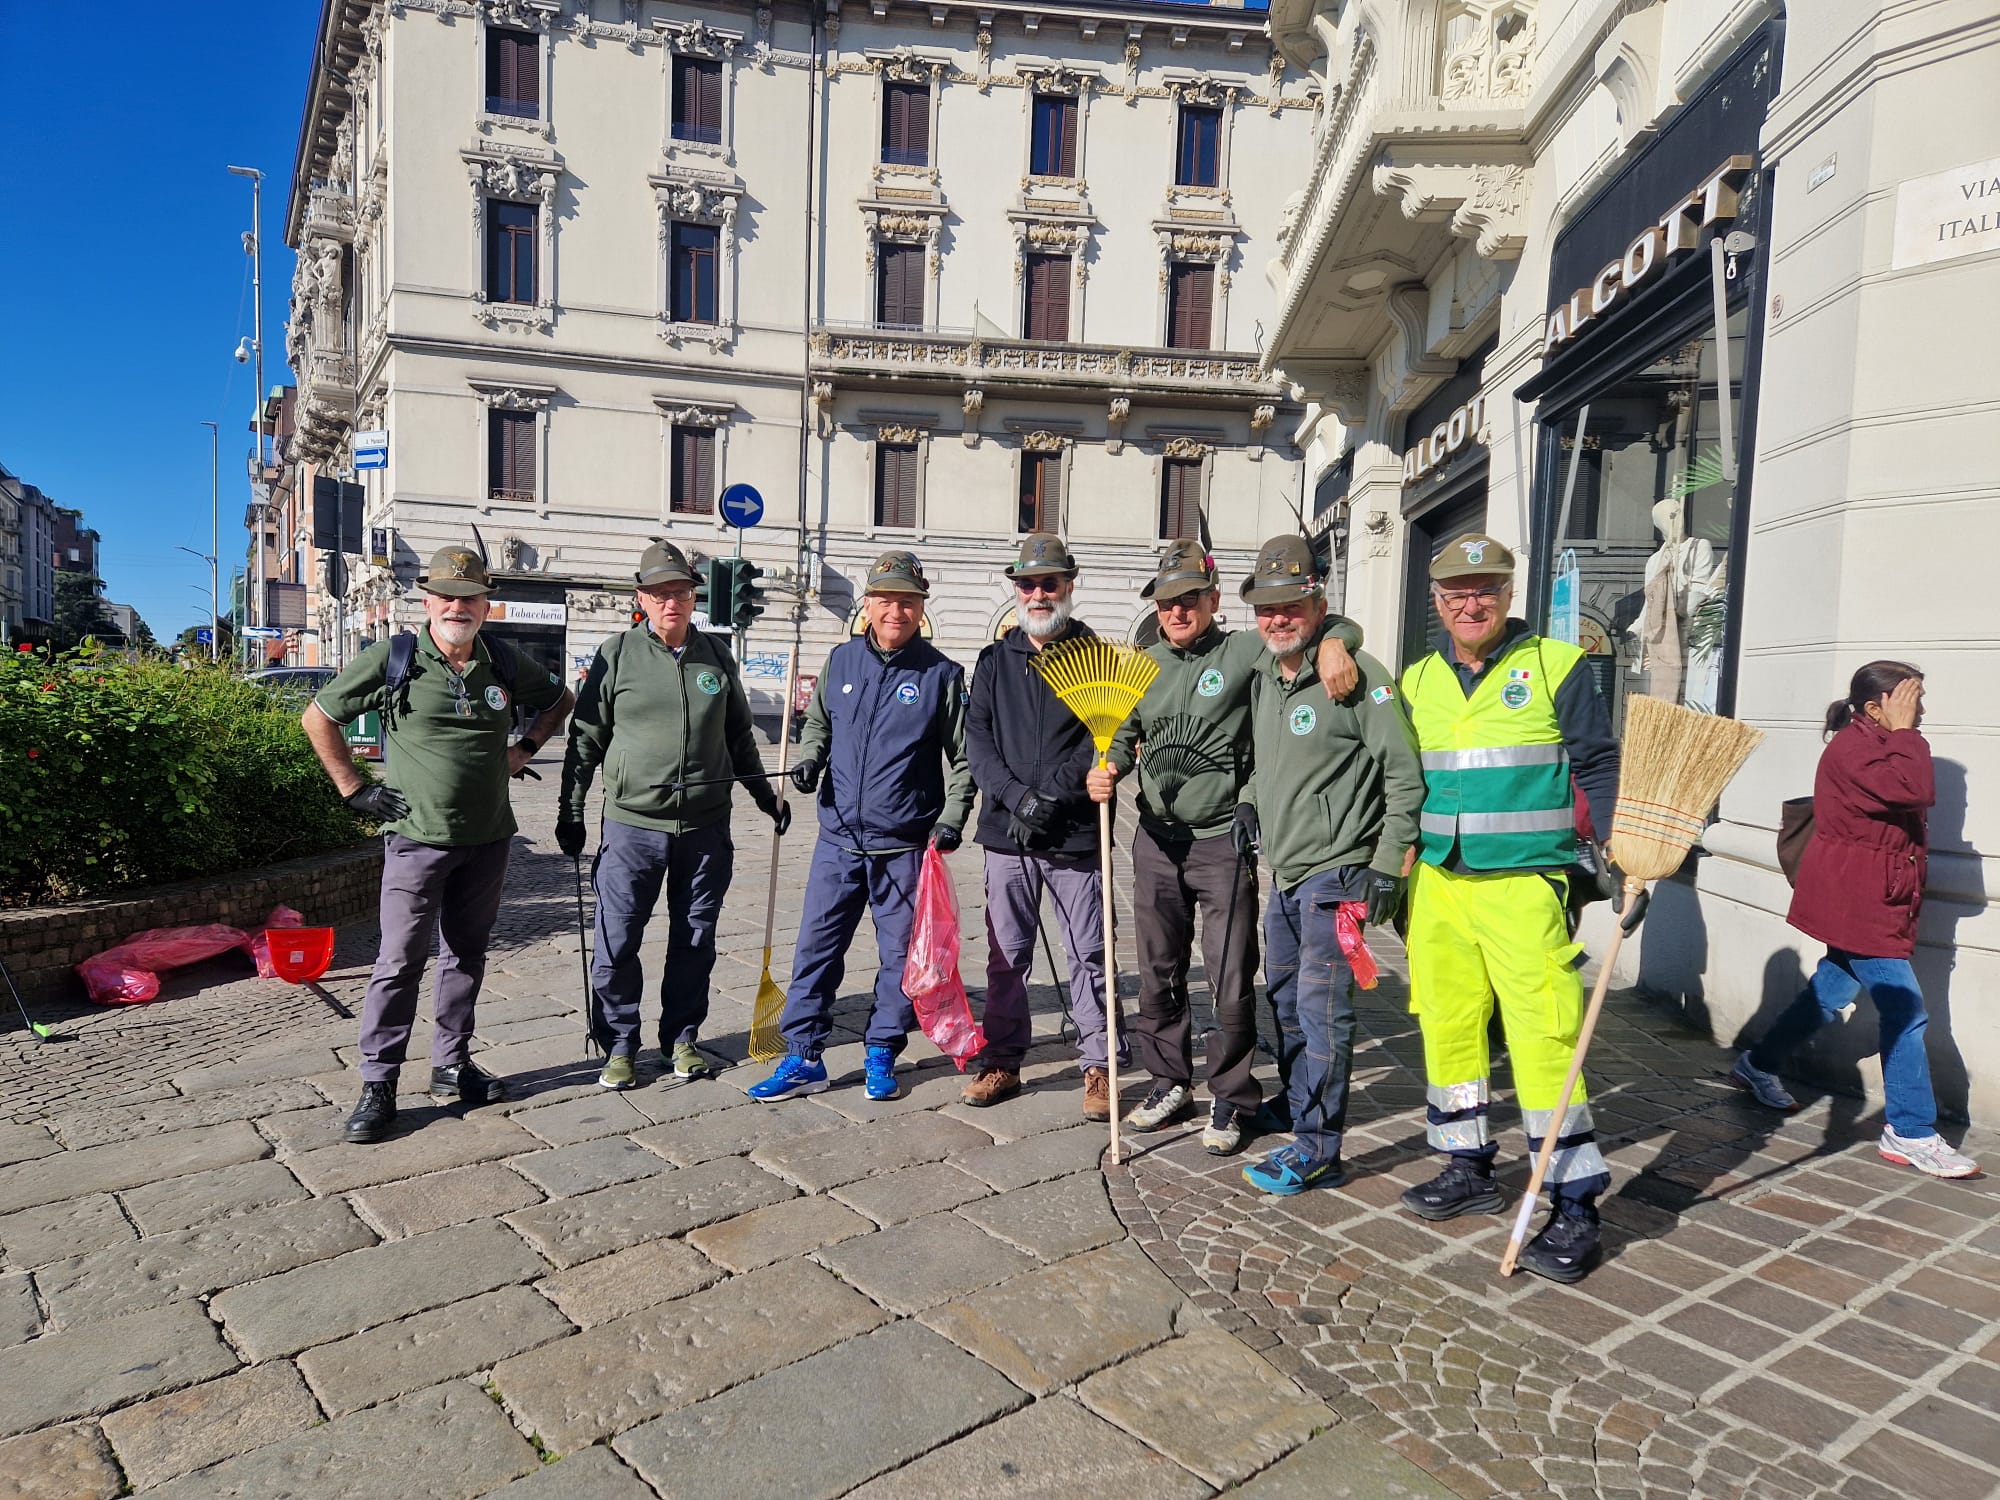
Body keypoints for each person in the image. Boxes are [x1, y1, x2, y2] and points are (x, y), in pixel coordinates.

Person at [1395, 532, 1635, 1283]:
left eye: (1487, 591)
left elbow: (1597, 761)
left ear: (1507, 595)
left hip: (1527, 883)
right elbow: (1403, 780)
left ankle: (1573, 1200)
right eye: (1457, 594)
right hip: (1438, 881)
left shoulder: (1555, 666)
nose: (1473, 603)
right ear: (1436, 603)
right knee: (1448, 1024)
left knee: (1546, 1035)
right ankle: (1465, 1160)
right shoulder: (1416, 680)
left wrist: (1624, 852)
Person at [1087, 539, 1363, 1155]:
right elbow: (1123, 733)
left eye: (1189, 599)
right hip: (1157, 839)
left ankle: (1232, 1096)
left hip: (1221, 840)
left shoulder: (1243, 652)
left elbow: (1305, 631)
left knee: (1231, 974)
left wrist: (1343, 635)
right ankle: (1168, 1081)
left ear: (1213, 599)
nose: (1177, 612)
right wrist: (1106, 768)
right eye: (1166, 602)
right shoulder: (1142, 664)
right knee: (1158, 970)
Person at [304, 544, 574, 1143]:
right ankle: (379, 1084)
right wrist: (354, 788)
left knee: (466, 957)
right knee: (398, 961)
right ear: (428, 601)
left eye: (470, 597)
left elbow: (560, 700)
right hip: (416, 841)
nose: (459, 605)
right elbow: (318, 717)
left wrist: (524, 749)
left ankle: (452, 1067)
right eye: (447, 596)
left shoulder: (501, 659)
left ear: (485, 605)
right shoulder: (395, 656)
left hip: (490, 838)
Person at [1228, 535, 1424, 1193]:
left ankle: (1319, 1149)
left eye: (1291, 604)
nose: (1277, 618)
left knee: (1321, 1010)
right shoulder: (1265, 675)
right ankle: (1297, 1099)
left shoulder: (1357, 674)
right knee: (1282, 1002)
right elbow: (1264, 761)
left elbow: (1403, 776)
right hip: (1282, 871)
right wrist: (1251, 801)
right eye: (1265, 608)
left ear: (1318, 601)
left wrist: (1390, 866)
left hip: (1336, 875)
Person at [1731, 663, 1978, 1178]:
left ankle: (1758, 1064)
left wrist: (1904, 731)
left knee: (1829, 990)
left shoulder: (1879, 742)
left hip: (1874, 895)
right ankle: (1909, 1132)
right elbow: (1913, 790)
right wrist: (1907, 732)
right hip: (1860, 899)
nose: (1921, 710)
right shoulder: (1854, 748)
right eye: (1911, 699)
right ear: (1875, 707)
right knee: (1906, 1012)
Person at [558, 542, 788, 1091]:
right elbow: (585, 739)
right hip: (633, 827)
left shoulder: (715, 656)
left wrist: (764, 797)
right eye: (660, 593)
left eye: (681, 592)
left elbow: (738, 738)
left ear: (694, 598)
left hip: (706, 828)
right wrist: (572, 811)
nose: (672, 603)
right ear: (642, 598)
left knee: (695, 937)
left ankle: (682, 1037)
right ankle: (618, 1044)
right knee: (618, 940)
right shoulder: (616, 655)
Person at [749, 551, 974, 1102]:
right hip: (838, 843)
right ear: (867, 605)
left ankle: (882, 1050)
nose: (895, 610)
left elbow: (967, 760)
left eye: (907, 601)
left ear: (920, 607)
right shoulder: (841, 661)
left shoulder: (941, 675)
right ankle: (803, 1055)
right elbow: (819, 723)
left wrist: (950, 819)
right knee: (816, 949)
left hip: (903, 847)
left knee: (900, 958)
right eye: (885, 600)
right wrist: (810, 757)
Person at [962, 532, 1122, 1118]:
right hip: (1006, 832)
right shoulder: (992, 662)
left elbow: (1101, 740)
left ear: (1068, 586)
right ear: (1016, 590)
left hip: (1075, 831)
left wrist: (1050, 796)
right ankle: (1002, 1059)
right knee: (1007, 953)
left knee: (1090, 953)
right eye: (1027, 584)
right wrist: (1014, 796)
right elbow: (977, 740)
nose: (1037, 592)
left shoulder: (1098, 658)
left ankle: (1100, 1064)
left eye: (1048, 582)